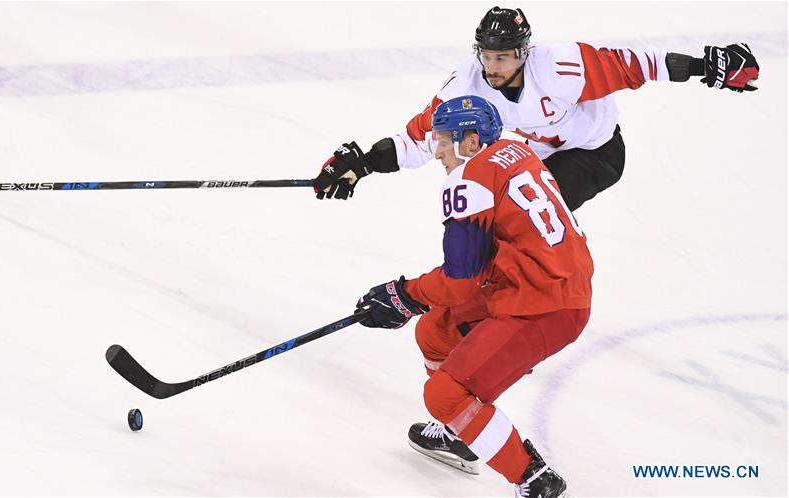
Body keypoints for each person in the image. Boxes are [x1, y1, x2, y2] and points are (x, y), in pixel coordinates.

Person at [354, 95, 592, 497]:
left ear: (470, 142)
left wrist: (403, 294)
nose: (438, 153)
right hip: (535, 283)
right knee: (435, 330)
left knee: (443, 394)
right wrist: (414, 301)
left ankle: (534, 480)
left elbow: (461, 280)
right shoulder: (513, 149)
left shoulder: (468, 180)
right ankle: (462, 434)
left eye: (444, 142)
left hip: (544, 306)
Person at [313, 6, 760, 211]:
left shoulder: (563, 65)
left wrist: (707, 65)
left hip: (597, 153)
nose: (492, 66)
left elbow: (634, 64)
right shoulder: (466, 85)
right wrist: (364, 164)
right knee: (491, 213)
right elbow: (423, 138)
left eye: (502, 57)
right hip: (540, 157)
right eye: (486, 55)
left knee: (525, 216)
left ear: (524, 53)